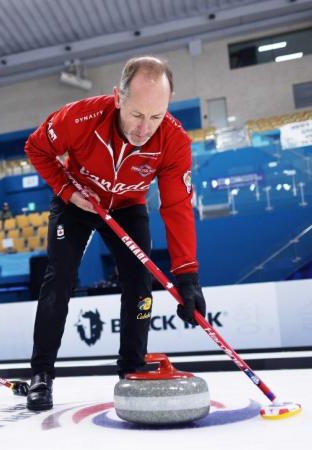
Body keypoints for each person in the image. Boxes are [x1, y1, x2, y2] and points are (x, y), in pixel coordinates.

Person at [24, 56, 206, 411]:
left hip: (127, 204)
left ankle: (131, 370)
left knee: (139, 282)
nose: (144, 129)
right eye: (137, 115)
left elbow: (177, 207)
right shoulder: (79, 117)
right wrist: (68, 191)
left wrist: (188, 277)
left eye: (156, 116)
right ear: (118, 97)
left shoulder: (174, 140)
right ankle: (41, 374)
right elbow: (36, 149)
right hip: (77, 198)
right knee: (59, 278)